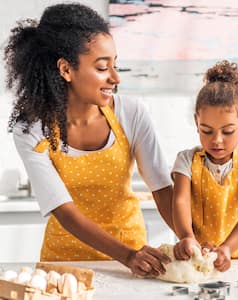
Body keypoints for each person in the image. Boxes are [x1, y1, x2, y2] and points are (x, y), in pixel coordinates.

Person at [4, 3, 173, 277]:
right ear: (66, 69)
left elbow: (162, 187)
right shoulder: (31, 129)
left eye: (116, 65)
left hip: (133, 265)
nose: (115, 78)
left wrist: (188, 236)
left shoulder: (132, 112)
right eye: (102, 67)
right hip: (64, 266)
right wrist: (127, 255)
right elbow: (63, 210)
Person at [171, 60, 238, 272]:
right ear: (197, 122)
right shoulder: (186, 160)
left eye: (227, 131)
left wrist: (227, 248)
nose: (216, 140)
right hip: (196, 257)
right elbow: (180, 200)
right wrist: (187, 237)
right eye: (206, 130)